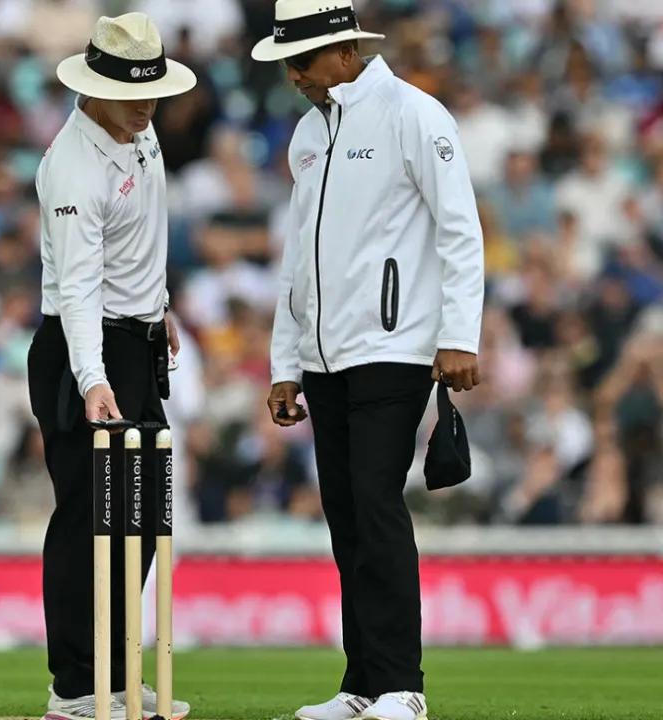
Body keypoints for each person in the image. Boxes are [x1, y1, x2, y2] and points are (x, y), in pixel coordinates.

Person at [251, 2, 485, 720]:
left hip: (393, 346)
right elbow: (296, 258)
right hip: (324, 354)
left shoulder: (414, 115)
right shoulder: (309, 133)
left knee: (377, 508)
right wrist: (284, 361)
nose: (293, 75)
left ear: (344, 49)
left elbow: (459, 229)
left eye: (302, 60)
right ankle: (361, 686)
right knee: (347, 515)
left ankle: (402, 686)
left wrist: (460, 335)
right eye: (288, 62)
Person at [28, 13, 194, 720]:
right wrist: (94, 378)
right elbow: (78, 287)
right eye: (134, 96)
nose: (147, 109)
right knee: (88, 519)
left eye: (153, 94)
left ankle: (119, 672)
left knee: (142, 516)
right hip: (78, 347)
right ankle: (74, 687)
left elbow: (141, 243)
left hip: (136, 338)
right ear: (93, 90)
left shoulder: (139, 127)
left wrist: (159, 309)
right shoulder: (73, 164)